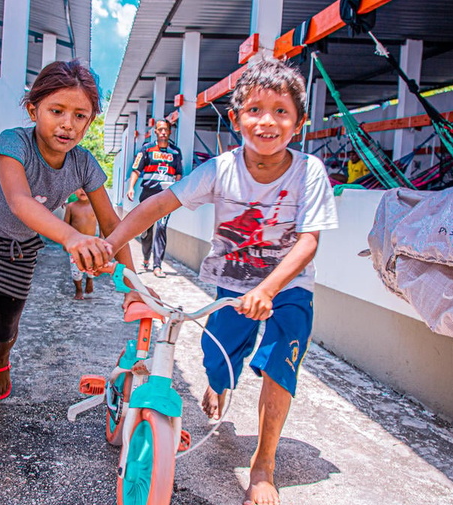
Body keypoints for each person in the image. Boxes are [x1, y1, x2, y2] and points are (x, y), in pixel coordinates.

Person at [105, 58, 337, 505]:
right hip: (232, 283)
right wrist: (111, 239)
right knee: (216, 358)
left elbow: (309, 242)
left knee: (281, 361)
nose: (267, 120)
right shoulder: (220, 169)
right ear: (235, 119)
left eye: (281, 111)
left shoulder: (309, 173)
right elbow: (159, 204)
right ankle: (218, 381)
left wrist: (269, 289)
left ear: (299, 123)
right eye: (254, 109)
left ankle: (263, 464)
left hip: (288, 287)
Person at [0, 60, 137, 490]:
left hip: (19, 252)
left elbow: (112, 223)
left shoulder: (84, 164)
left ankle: (1, 362)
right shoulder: (13, 143)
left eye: (79, 115)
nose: (67, 124)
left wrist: (134, 285)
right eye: (56, 110)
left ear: (90, 120)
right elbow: (21, 203)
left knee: (3, 329)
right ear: (33, 109)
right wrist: (71, 239)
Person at [126, 119, 183, 278]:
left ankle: (158, 265)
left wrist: (177, 188)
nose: (163, 132)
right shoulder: (146, 149)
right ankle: (145, 258)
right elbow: (136, 170)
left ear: (170, 132)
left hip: (167, 196)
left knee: (162, 228)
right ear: (156, 132)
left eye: (166, 129)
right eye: (160, 129)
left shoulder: (176, 152)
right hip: (148, 195)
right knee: (146, 230)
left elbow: (179, 173)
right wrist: (131, 187)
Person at [64, 188, 99, 299]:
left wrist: (103, 239)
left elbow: (103, 224)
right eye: (79, 188)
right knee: (76, 269)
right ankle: (78, 290)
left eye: (86, 188)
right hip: (76, 245)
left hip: (92, 244)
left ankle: (89, 279)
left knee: (92, 265)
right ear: (74, 191)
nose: (83, 191)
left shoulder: (95, 207)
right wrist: (65, 242)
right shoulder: (71, 207)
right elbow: (65, 225)